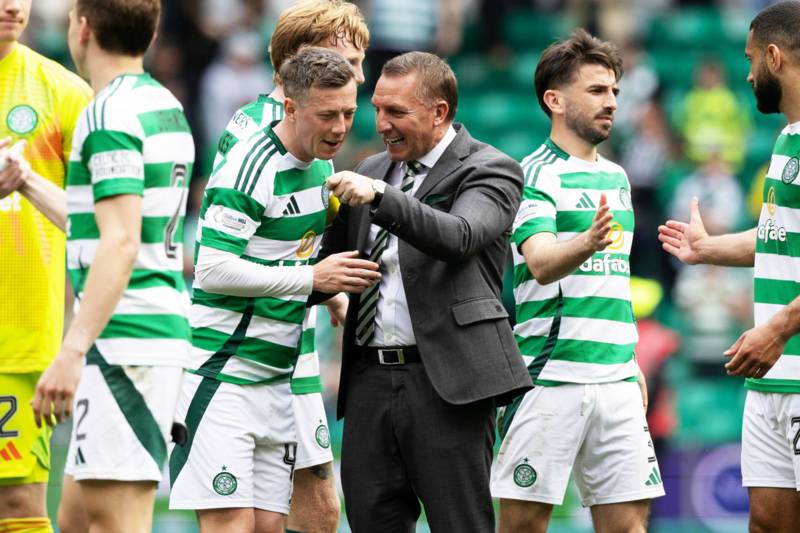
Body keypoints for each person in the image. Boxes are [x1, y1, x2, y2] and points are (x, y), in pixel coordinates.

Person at [315, 51, 532, 532]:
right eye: (377, 109)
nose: (381, 124)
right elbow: (324, 262)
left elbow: (459, 236)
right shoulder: (372, 168)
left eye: (396, 112)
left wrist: (380, 196)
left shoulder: (491, 168)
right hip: (368, 380)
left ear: (439, 112)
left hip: (449, 385)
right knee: (372, 523)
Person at [168, 47, 379, 533]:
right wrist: (312, 280)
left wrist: (331, 294)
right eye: (326, 115)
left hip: (278, 378)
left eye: (348, 113)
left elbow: (287, 253)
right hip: (224, 375)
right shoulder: (251, 165)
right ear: (290, 107)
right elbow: (212, 268)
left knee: (269, 526)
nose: (340, 128)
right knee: (231, 526)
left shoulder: (322, 166)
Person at [21, 1, 192, 532]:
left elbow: (120, 242)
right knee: (75, 520)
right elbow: (101, 226)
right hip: (144, 333)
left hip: (127, 343)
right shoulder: (161, 102)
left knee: (118, 522)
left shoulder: (105, 113)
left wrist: (71, 351)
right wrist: (25, 180)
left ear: (83, 27)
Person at [489, 29, 665, 533]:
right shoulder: (533, 174)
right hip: (550, 375)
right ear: (555, 100)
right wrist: (586, 242)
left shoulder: (618, 178)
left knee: (629, 524)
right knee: (523, 525)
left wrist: (631, 361)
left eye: (614, 91)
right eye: (596, 90)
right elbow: (541, 262)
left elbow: (614, 281)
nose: (611, 102)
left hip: (616, 378)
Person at [210, 4, 369, 530]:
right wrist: (311, 281)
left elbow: (286, 230)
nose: (359, 76)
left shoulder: (316, 131)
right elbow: (220, 260)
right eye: (347, 61)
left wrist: (329, 292)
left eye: (359, 63)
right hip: (244, 348)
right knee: (293, 508)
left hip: (289, 336)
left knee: (314, 505)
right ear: (301, 61)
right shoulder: (264, 135)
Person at [659, 2, 800, 530]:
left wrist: (778, 329)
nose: (747, 74)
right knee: (765, 525)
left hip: (788, 356)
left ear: (774, 57)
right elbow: (779, 236)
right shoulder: (787, 139)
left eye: (749, 59)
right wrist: (707, 248)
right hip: (770, 379)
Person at [0, 0, 91, 531]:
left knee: (17, 506)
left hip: (19, 341)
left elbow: (101, 223)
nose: (13, 5)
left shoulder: (64, 92)